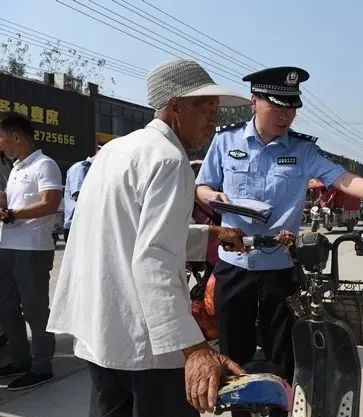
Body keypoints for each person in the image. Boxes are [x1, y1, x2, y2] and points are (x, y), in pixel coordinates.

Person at [47, 59, 254, 416]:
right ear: (175, 107)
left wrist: (209, 234)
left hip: (100, 330)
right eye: (206, 108)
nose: (213, 122)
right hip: (146, 342)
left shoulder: (115, 151)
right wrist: (194, 348)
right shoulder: (170, 160)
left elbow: (126, 232)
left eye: (216, 111)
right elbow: (153, 256)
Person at [194, 66, 363, 398]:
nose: (286, 116)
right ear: (254, 101)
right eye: (277, 106)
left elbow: (343, 179)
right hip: (234, 267)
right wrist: (212, 196)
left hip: (280, 268)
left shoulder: (303, 150)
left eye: (292, 108)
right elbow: (203, 185)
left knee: (283, 355)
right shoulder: (225, 140)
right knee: (233, 353)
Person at [0, 112, 62, 390]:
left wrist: (12, 213)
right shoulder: (15, 168)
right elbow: (13, 202)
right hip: (8, 247)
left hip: (32, 250)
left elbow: (50, 203)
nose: (0, 145)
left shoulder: (45, 165)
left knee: (35, 310)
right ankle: (20, 361)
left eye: (1, 138)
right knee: (7, 307)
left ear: (16, 136)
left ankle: (41, 366)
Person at [62, 148, 99, 242]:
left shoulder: (93, 170)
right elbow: (78, 197)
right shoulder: (82, 167)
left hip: (85, 225)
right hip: (76, 226)